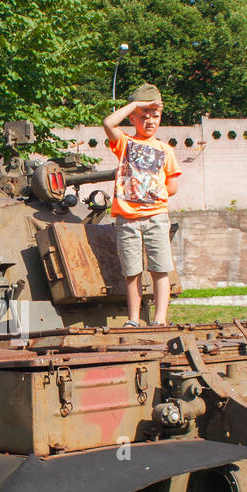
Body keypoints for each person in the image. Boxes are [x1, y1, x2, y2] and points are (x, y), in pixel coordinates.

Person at [102, 83, 180, 327]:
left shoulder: (165, 150)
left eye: (155, 116)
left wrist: (151, 192)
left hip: (156, 216)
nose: (150, 121)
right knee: (132, 271)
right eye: (143, 116)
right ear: (133, 118)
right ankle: (134, 319)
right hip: (127, 219)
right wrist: (136, 104)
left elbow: (173, 186)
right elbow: (108, 124)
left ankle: (159, 319)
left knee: (160, 268)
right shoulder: (125, 144)